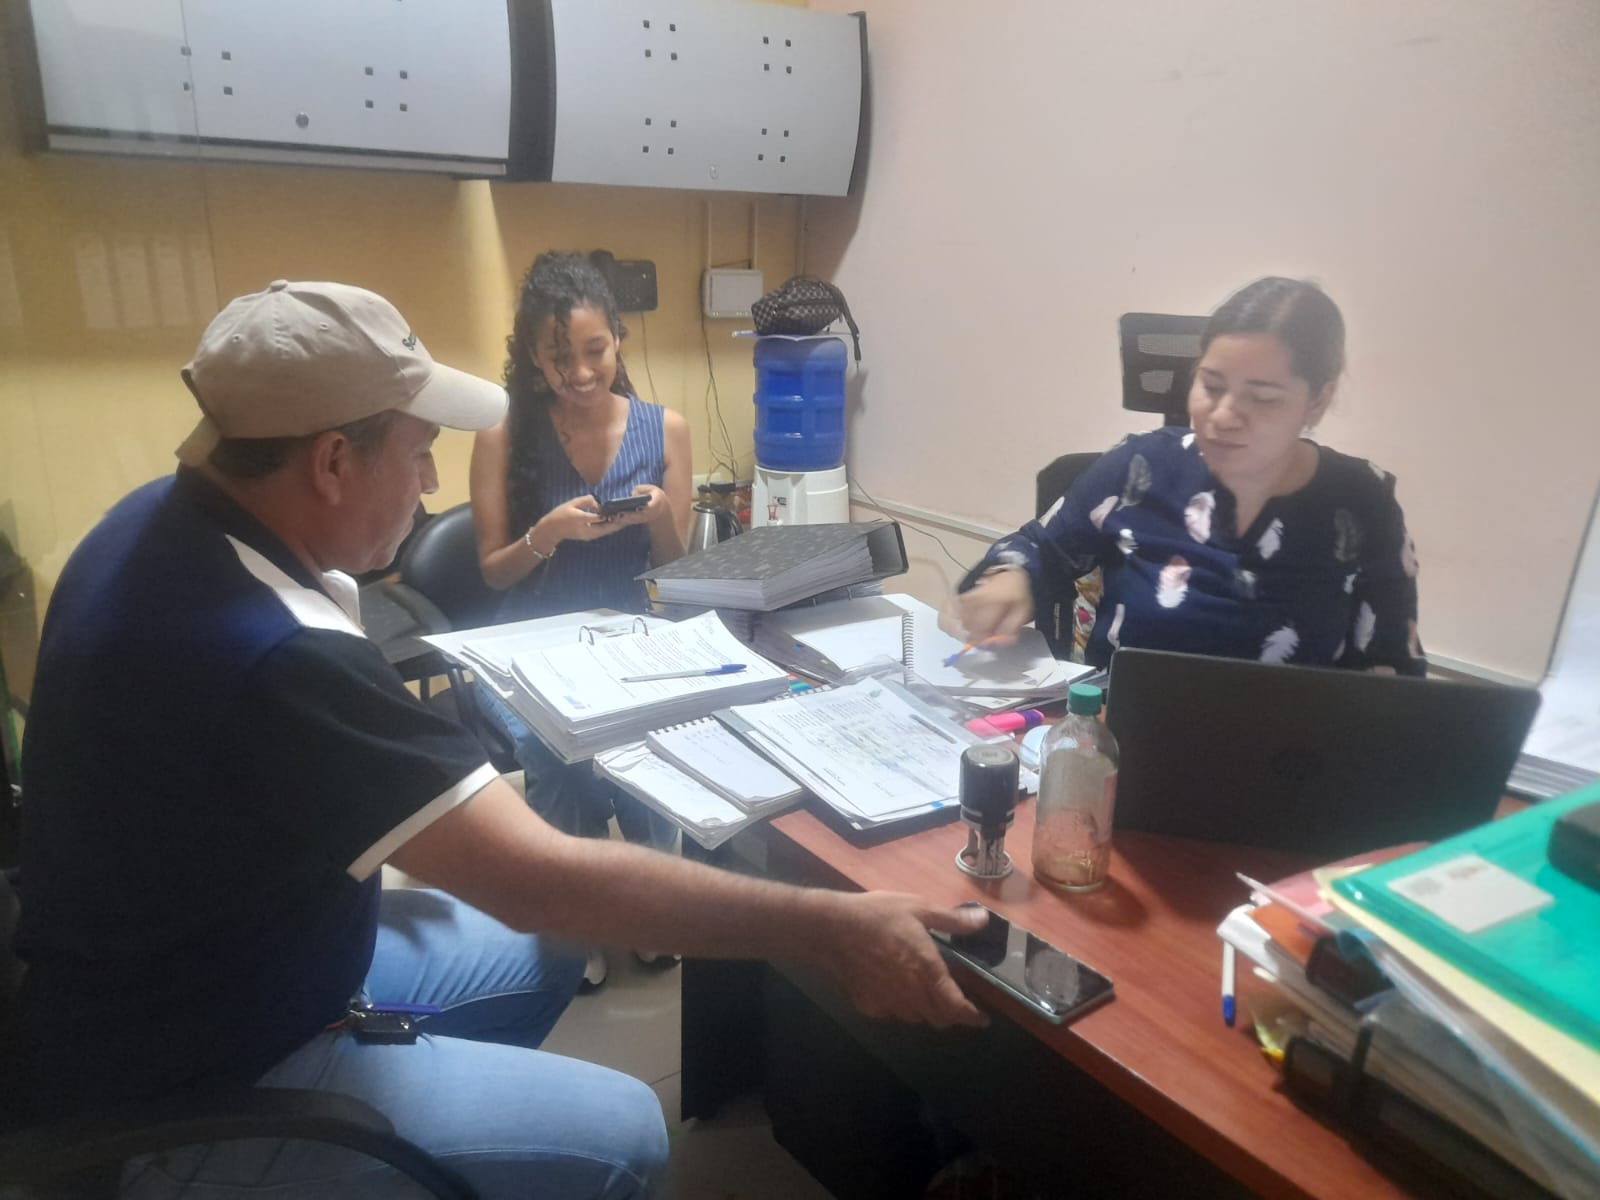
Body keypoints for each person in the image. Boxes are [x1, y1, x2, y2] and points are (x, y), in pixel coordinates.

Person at [16, 279, 988, 1200]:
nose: (430, 480)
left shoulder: (149, 521)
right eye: (417, 453)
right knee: (625, 1132)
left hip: (202, 975)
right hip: (195, 1086)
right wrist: (831, 928)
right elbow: (534, 876)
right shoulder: (276, 652)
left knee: (553, 946)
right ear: (332, 462)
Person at [954, 277, 1424, 676]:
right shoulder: (1140, 466)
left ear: (1317, 400)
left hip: (1293, 748)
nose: (1223, 416)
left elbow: (1393, 670)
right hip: (1123, 733)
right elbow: (1039, 547)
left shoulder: (1362, 501)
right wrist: (1011, 577)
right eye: (1211, 385)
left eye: (1262, 398)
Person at [466, 254, 686, 988]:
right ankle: (577, 915)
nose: (582, 372)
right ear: (533, 359)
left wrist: (660, 517)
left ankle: (653, 906)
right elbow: (493, 572)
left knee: (656, 744)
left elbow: (675, 569)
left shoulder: (665, 428)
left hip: (630, 629)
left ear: (619, 339)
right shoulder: (503, 433)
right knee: (553, 753)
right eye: (561, 358)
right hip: (529, 638)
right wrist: (546, 535)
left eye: (596, 350)